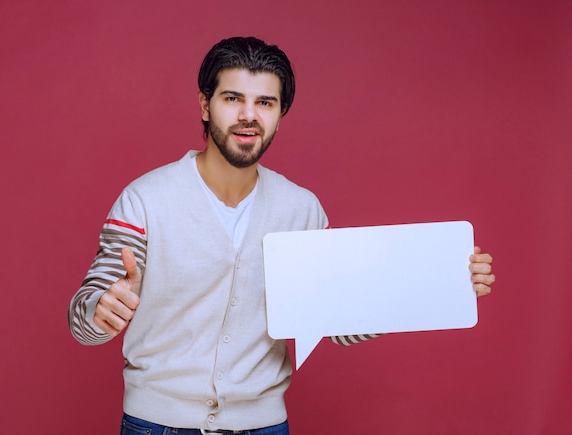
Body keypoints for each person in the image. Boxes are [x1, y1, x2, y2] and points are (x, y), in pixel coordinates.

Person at [68, 36, 495, 435]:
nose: (248, 115)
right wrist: (102, 311)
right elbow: (84, 323)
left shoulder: (302, 210)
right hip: (155, 424)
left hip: (264, 425)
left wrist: (437, 283)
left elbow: (340, 322)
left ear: (279, 114)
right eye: (233, 98)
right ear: (205, 104)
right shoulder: (145, 200)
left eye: (265, 102)